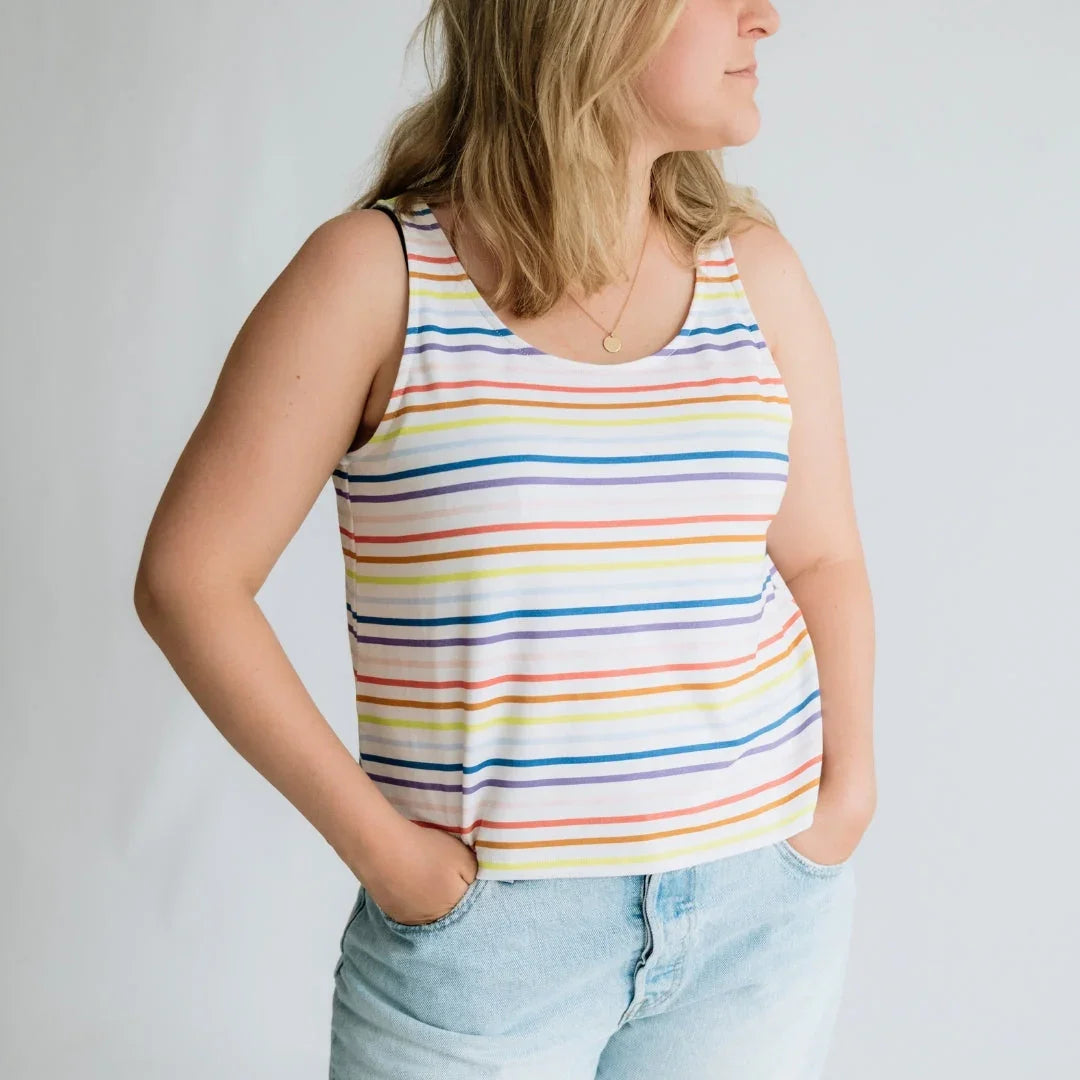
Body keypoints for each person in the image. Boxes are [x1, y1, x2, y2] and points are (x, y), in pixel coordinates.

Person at [134, 1, 877, 1076]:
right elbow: (189, 580)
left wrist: (842, 801)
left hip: (760, 913)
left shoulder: (751, 272)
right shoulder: (377, 274)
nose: (764, 17)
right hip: (489, 950)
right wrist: (393, 860)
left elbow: (821, 557)